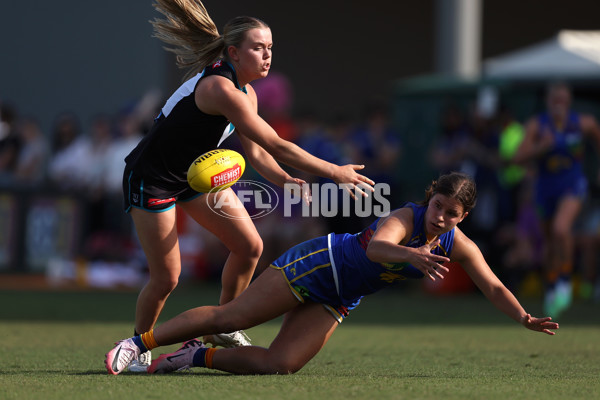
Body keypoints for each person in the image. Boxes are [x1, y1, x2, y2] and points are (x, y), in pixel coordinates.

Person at [121, 0, 374, 372]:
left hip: (195, 176)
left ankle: (222, 327)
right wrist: (335, 171)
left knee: (249, 246)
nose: (267, 55)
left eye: (270, 47)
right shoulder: (219, 88)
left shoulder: (248, 92)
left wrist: (284, 179)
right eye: (259, 48)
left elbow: (257, 155)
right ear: (234, 52)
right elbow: (277, 144)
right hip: (152, 179)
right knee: (166, 278)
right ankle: (138, 346)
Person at [105, 172, 559, 376]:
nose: (441, 218)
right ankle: (138, 343)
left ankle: (194, 358)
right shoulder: (407, 216)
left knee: (281, 365)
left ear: (464, 217)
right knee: (232, 319)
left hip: (338, 298)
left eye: (452, 214)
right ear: (430, 198)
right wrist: (412, 255)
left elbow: (494, 285)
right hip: (317, 264)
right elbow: (380, 246)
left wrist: (523, 317)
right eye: (439, 206)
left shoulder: (457, 244)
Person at [514, 81, 600, 318]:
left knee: (562, 228)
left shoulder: (583, 123)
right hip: (545, 188)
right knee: (551, 240)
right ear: (548, 101)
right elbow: (517, 157)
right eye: (555, 100)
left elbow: (596, 138)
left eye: (563, 100)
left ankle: (565, 277)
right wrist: (540, 148)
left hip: (573, 184)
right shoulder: (537, 125)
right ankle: (552, 284)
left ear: (569, 101)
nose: (559, 104)